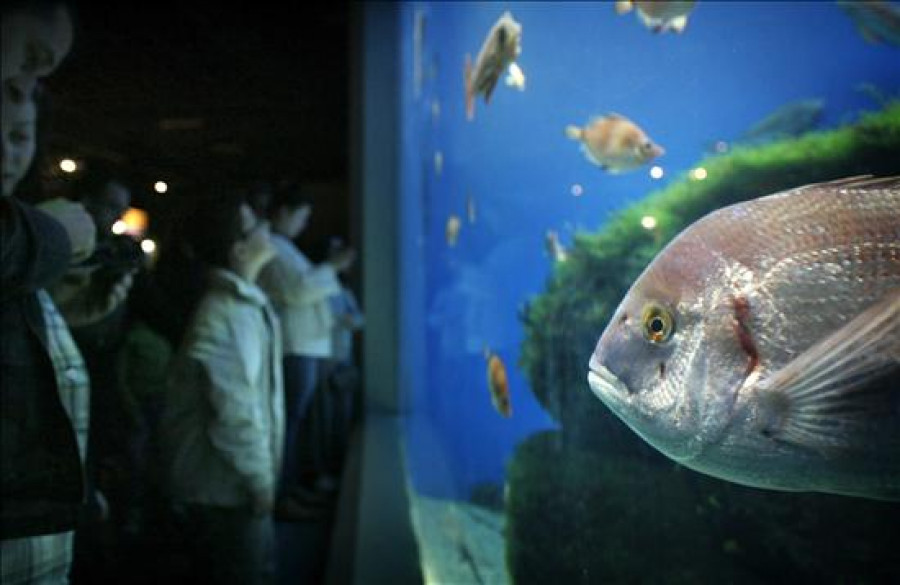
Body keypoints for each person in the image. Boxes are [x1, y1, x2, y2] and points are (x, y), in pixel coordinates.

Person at [1, 2, 95, 582]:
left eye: (21, 135)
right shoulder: (31, 235)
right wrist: (57, 237)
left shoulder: (18, 237)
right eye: (31, 57)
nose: (29, 82)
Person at [161, 193, 283, 585]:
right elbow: (233, 413)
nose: (268, 229)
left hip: (226, 483)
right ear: (239, 249)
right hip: (223, 489)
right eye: (257, 225)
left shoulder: (239, 305)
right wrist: (261, 481)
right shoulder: (225, 314)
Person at [256, 184, 355, 517]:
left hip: (305, 345)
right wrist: (332, 266)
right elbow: (298, 291)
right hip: (295, 346)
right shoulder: (273, 246)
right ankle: (284, 495)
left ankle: (292, 489)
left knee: (297, 424)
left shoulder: (284, 246)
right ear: (283, 211)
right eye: (302, 216)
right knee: (290, 425)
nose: (303, 224)